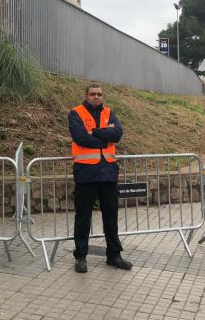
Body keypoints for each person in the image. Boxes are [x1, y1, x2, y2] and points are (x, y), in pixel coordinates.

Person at [68, 83, 132, 273]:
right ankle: (81, 256)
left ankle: (114, 255)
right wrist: (106, 137)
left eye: (99, 94)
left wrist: (95, 132)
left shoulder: (109, 113)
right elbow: (80, 138)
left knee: (111, 217)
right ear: (86, 95)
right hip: (86, 174)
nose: (96, 97)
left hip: (108, 173)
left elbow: (117, 134)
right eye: (93, 94)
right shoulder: (76, 113)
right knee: (83, 217)